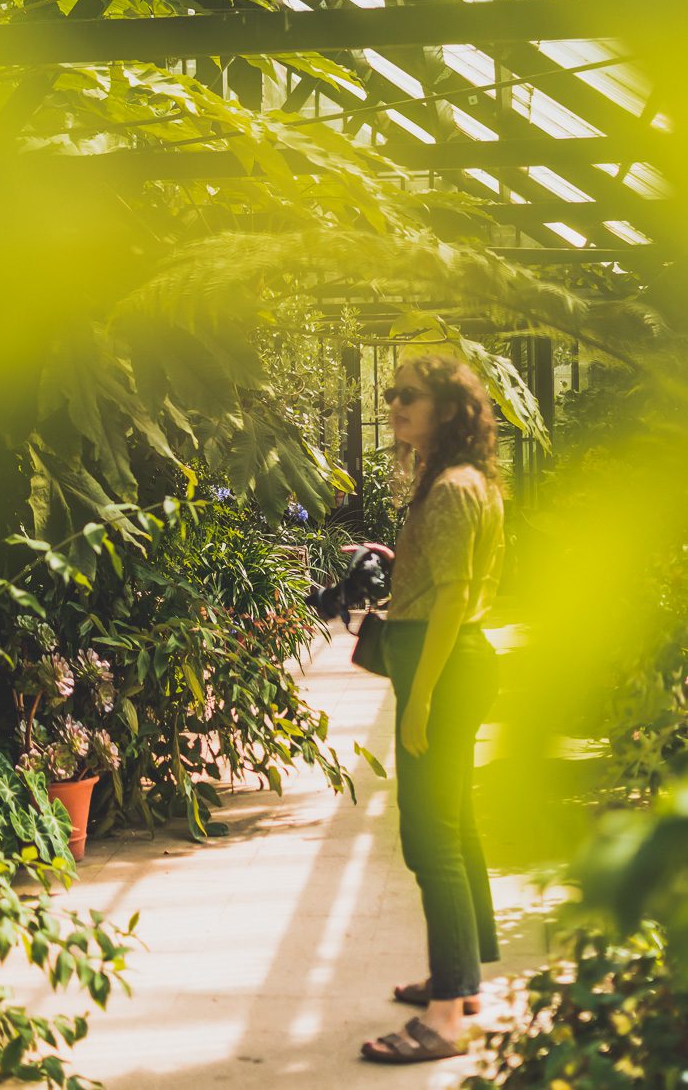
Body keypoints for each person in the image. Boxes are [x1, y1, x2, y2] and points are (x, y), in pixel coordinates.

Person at [360, 353, 505, 1066]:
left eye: (408, 397)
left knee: (429, 839)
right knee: (457, 822)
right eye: (391, 395)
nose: (395, 406)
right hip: (456, 658)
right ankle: (465, 979)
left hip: (439, 664)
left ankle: (447, 1020)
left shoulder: (449, 487)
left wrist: (418, 700)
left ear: (448, 411)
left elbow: (452, 599)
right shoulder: (465, 481)